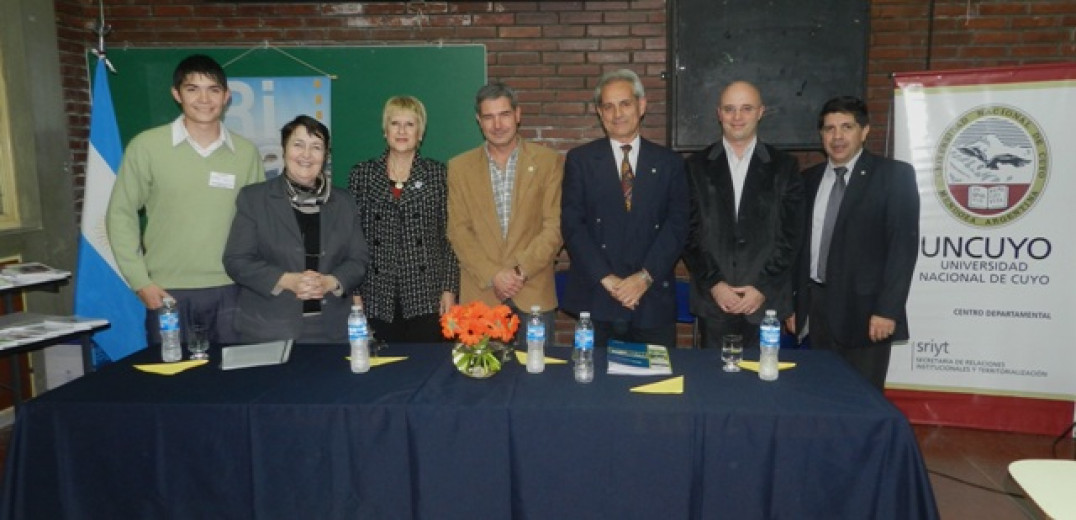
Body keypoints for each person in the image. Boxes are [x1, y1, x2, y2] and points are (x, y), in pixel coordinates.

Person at [106, 54, 263, 346]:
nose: (204, 98)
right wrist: (140, 282)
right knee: (173, 386)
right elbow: (121, 214)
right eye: (193, 89)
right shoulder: (147, 147)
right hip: (168, 292)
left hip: (233, 290)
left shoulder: (246, 153)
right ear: (176, 94)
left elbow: (260, 222)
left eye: (213, 89)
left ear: (227, 97)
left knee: (235, 385)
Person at [788, 96, 920, 389]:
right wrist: (795, 305)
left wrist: (888, 310)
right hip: (816, 308)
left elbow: (903, 249)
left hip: (866, 313)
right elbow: (797, 248)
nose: (837, 137)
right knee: (821, 393)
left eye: (846, 127)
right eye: (829, 129)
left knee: (863, 397)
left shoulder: (893, 177)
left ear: (864, 131)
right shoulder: (806, 180)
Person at [560, 69, 689, 349]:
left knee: (655, 387)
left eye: (625, 103)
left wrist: (643, 278)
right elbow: (572, 225)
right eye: (608, 106)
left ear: (642, 106)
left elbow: (678, 226)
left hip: (651, 298)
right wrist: (607, 279)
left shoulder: (670, 163)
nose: (617, 113)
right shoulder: (580, 160)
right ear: (599, 112)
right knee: (594, 387)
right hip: (598, 297)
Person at [223, 115, 369, 343]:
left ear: (326, 155)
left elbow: (358, 260)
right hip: (269, 328)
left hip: (333, 329)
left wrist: (331, 281)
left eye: (316, 147)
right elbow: (236, 260)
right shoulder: (254, 198)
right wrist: (285, 280)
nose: (306, 155)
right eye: (298, 144)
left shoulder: (344, 202)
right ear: (284, 149)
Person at [682, 81, 804, 350]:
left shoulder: (785, 167)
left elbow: (791, 235)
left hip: (764, 304)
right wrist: (715, 284)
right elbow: (688, 232)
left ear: (760, 112)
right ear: (719, 113)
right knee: (714, 385)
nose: (737, 117)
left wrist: (761, 288)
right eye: (730, 109)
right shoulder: (695, 166)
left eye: (746, 109)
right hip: (714, 302)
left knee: (763, 386)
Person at [446, 82, 564, 347]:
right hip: (481, 293)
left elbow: (554, 227)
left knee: (538, 381)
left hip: (533, 291)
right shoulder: (459, 168)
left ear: (518, 115)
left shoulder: (548, 162)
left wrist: (518, 272)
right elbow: (458, 230)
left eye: (504, 115)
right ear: (479, 120)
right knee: (480, 383)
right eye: (489, 117)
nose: (497, 124)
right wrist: (494, 274)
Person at [348, 96, 458, 343]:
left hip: (426, 293)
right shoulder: (362, 175)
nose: (401, 131)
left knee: (426, 366)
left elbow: (451, 237)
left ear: (420, 133)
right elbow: (352, 240)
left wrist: (449, 290)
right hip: (376, 293)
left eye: (409, 124)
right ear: (385, 131)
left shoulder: (438, 174)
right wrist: (355, 295)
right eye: (395, 123)